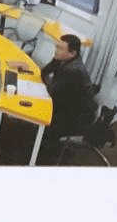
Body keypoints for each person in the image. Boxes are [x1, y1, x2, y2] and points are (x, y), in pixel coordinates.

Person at [37, 34, 97, 163]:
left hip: (77, 118)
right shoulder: (65, 60)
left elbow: (51, 91)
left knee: (40, 118)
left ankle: (42, 159)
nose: (56, 50)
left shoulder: (74, 71)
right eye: (56, 47)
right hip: (67, 107)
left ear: (72, 53)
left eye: (60, 48)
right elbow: (44, 73)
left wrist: (48, 80)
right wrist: (54, 61)